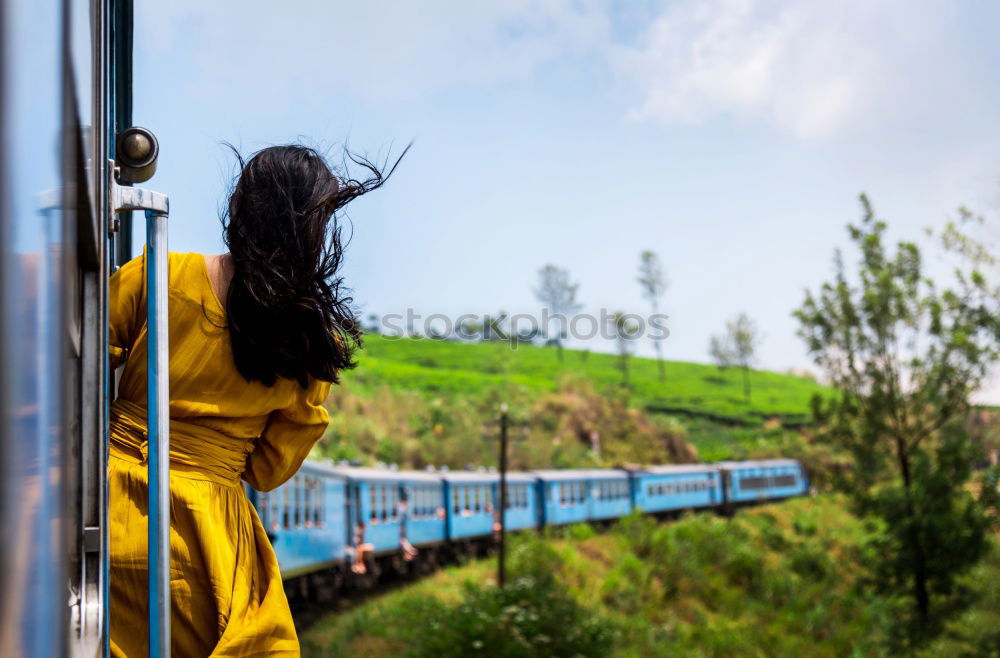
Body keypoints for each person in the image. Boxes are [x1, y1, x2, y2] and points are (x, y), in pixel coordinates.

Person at [107, 144, 400, 656]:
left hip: (110, 511)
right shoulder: (311, 342)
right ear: (315, 231)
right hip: (209, 548)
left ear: (239, 208)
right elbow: (266, 471)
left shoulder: (158, 274)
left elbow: (75, 364)